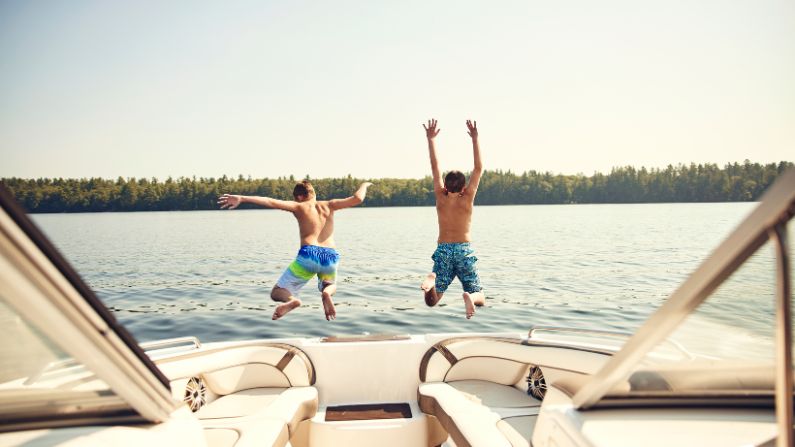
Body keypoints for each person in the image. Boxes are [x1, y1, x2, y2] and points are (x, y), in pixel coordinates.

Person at [218, 180, 373, 321]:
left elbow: (270, 201)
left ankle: (293, 301)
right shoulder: (330, 205)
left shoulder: (299, 206)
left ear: (298, 197)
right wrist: (365, 185)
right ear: (313, 194)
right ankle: (326, 294)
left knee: (277, 292)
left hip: (309, 254)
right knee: (329, 285)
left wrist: (242, 198)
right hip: (330, 256)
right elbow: (358, 199)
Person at [420, 118, 485, 319]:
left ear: (446, 187)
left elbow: (435, 166)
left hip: (444, 249)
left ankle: (431, 282)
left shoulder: (441, 197)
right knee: (479, 296)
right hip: (464, 249)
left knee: (432, 301)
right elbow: (478, 169)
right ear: (464, 187)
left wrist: (431, 139)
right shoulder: (467, 197)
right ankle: (470, 298)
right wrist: (475, 138)